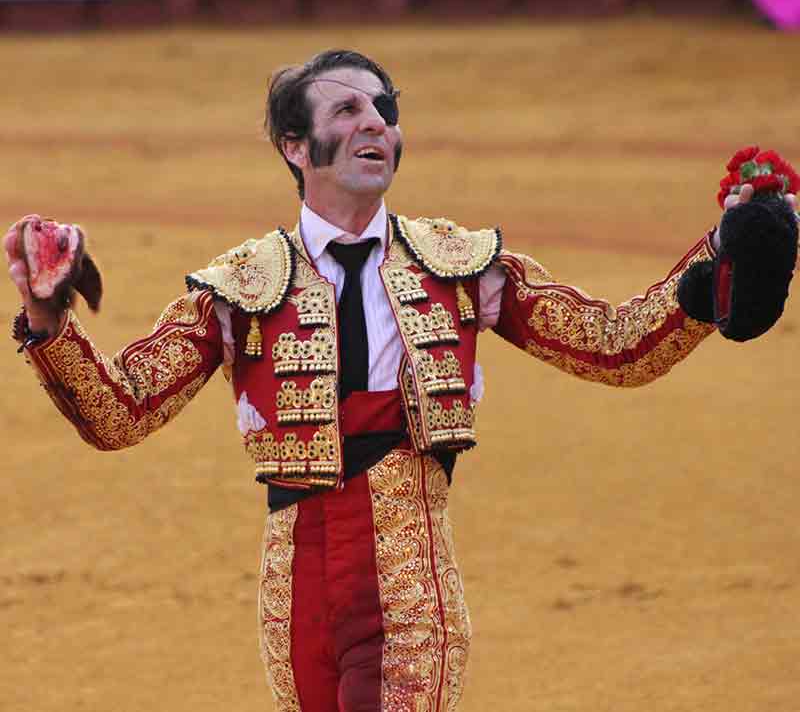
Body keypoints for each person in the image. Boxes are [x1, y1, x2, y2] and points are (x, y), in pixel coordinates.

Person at [4, 49, 792, 712]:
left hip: (410, 586)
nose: (373, 121)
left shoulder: (461, 266)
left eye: (383, 108)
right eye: (345, 110)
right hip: (295, 596)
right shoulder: (237, 288)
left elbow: (616, 347)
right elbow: (119, 415)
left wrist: (722, 250)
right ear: (293, 144)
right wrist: (47, 320)